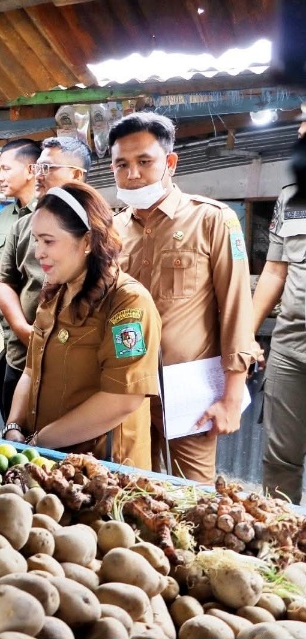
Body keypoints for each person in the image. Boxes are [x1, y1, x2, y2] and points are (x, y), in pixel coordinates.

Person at [110, 112, 254, 483]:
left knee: (194, 497)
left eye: (145, 161)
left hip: (189, 394)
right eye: (122, 164)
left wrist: (232, 398)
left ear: (170, 162)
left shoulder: (212, 220)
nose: (133, 174)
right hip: (127, 390)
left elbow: (237, 309)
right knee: (131, 490)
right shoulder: (112, 231)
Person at [1, 183, 160, 470]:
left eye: (48, 242)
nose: (38, 253)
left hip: (103, 471)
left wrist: (39, 442)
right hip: (48, 462)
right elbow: (30, 371)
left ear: (87, 241)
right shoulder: (54, 294)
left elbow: (122, 399)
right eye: (36, 240)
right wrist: (14, 427)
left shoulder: (127, 302)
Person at [0, 136, 91, 419]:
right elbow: (4, 280)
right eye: (37, 167)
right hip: (22, 356)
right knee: (15, 433)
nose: (38, 175)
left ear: (76, 175)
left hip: (75, 364)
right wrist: (23, 330)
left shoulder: (99, 228)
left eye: (47, 168)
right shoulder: (24, 225)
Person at [253, 114, 306, 502]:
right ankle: (281, 534)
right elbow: (274, 271)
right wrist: (245, 333)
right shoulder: (291, 197)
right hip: (291, 345)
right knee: (279, 460)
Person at [0, 139, 41, 419]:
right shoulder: (4, 216)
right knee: (8, 414)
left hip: (35, 333)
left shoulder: (49, 214)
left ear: (31, 170)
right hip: (4, 337)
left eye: (5, 169)